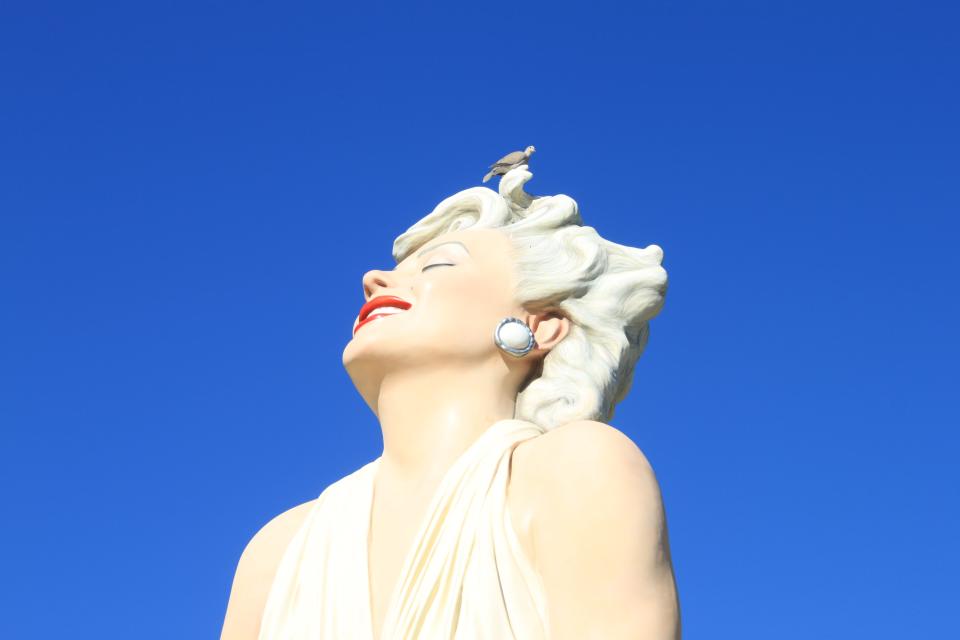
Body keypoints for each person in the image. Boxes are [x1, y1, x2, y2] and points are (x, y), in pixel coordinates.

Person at [221, 166, 680, 639]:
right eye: (396, 269)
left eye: (437, 264)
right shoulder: (279, 550)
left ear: (541, 326)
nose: (374, 279)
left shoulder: (576, 470)